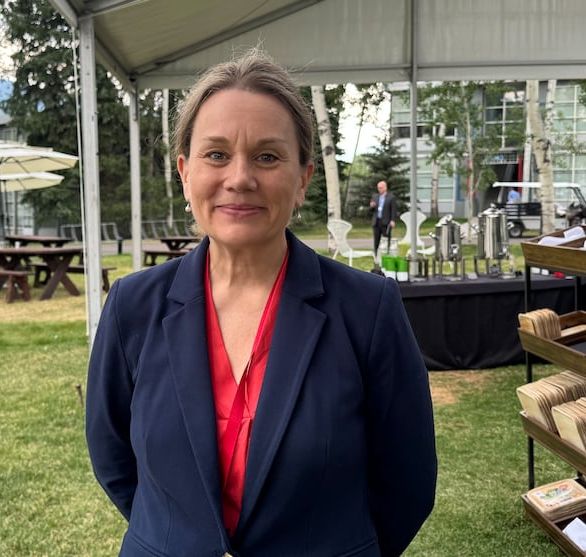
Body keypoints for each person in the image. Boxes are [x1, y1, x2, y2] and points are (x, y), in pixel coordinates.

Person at [85, 49, 436, 557]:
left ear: (303, 178)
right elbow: (112, 457)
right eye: (216, 154)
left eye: (267, 157)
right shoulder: (132, 306)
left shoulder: (368, 309)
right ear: (185, 172)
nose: (240, 178)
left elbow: (407, 481)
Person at [370, 180, 398, 255]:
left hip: (386, 221)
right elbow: (372, 210)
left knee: (386, 238)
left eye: (381, 188)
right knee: (376, 238)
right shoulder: (375, 197)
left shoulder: (391, 197)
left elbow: (393, 209)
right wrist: (372, 206)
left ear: (385, 188)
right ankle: (376, 253)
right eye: (378, 188)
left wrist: (392, 220)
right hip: (376, 221)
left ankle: (387, 252)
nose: (379, 189)